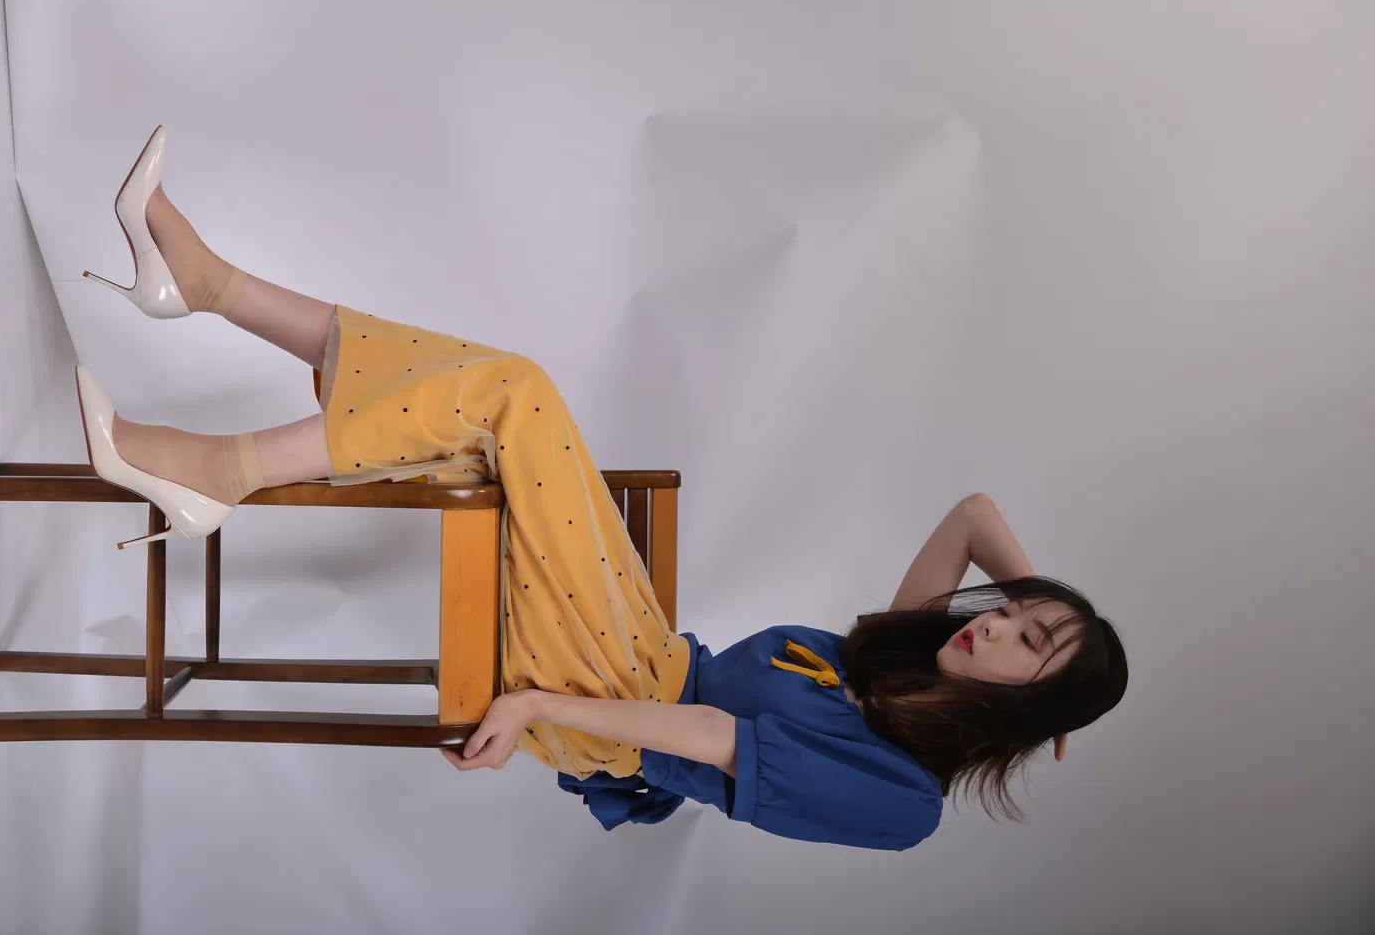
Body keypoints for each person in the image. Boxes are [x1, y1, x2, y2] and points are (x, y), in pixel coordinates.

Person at [75, 126, 1129, 851]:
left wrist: (537, 704)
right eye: (1017, 615)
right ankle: (211, 292)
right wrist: (1051, 643)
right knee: (485, 404)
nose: (996, 626)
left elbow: (712, 741)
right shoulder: (899, 658)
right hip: (639, 644)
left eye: (1026, 643)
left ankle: (218, 464)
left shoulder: (904, 801)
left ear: (1029, 696)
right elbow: (972, 515)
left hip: (617, 708)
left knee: (511, 394)